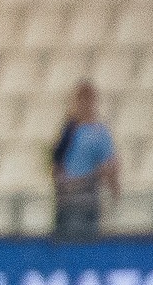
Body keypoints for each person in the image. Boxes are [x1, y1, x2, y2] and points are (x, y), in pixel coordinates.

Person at [50, 81, 118, 239]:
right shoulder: (68, 131)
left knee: (85, 242)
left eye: (87, 100)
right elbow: (56, 163)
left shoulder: (99, 132)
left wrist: (113, 190)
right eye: (80, 100)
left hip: (87, 199)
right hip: (66, 199)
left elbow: (110, 165)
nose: (83, 105)